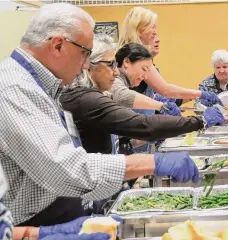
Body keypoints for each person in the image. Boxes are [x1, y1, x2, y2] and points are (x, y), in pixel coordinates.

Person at [0, 3, 201, 227]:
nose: (86, 63)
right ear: (58, 45)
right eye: (85, 53)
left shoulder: (42, 86)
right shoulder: (15, 88)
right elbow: (67, 169)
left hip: (60, 211)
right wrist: (153, 161)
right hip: (39, 222)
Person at [60, 36, 225, 155]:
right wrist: (199, 121)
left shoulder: (92, 95)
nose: (116, 72)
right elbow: (142, 124)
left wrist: (144, 139)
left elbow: (119, 137)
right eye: (111, 65)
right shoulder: (88, 99)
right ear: (89, 65)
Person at [114, 6, 222, 106]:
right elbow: (166, 90)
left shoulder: (126, 52)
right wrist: (200, 94)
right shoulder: (135, 57)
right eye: (153, 27)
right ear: (139, 29)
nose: (155, 33)